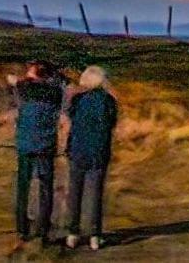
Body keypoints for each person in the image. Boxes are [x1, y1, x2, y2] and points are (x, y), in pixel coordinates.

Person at [7, 60, 64, 246]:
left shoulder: (24, 88)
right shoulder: (55, 93)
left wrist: (28, 77)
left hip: (26, 146)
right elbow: (55, 83)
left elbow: (15, 80)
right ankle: (43, 230)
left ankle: (23, 229)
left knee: (23, 188)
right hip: (46, 146)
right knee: (46, 189)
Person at [65, 65, 118, 251]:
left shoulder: (78, 100)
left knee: (74, 193)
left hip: (78, 150)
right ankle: (95, 236)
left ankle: (73, 234)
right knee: (95, 195)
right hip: (99, 151)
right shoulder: (109, 101)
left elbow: (70, 116)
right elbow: (112, 123)